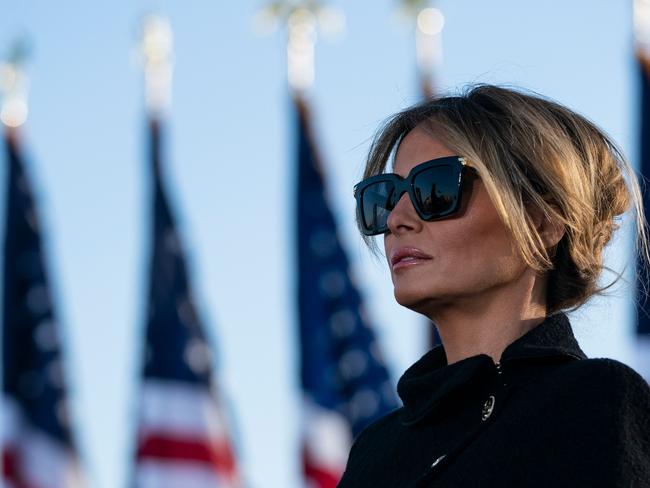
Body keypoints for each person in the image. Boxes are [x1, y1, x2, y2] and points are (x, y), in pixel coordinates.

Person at [338, 85, 650, 487]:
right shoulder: (374, 450)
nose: (398, 218)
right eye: (386, 196)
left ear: (543, 220)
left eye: (436, 189)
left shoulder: (593, 401)